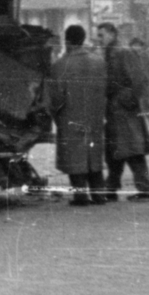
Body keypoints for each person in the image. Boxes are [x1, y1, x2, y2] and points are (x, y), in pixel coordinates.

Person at [45, 25, 109, 206]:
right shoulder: (99, 62)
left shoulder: (60, 65)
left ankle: (81, 196)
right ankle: (99, 194)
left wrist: (56, 116)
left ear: (67, 41)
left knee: (75, 157)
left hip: (70, 117)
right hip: (95, 117)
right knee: (93, 156)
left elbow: (56, 98)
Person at [97, 23, 149, 201]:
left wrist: (126, 100)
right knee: (114, 150)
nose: (99, 39)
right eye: (98, 36)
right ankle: (111, 187)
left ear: (113, 34)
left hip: (124, 110)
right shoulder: (108, 54)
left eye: (102, 35)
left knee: (133, 150)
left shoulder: (123, 52)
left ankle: (144, 188)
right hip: (113, 110)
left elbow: (140, 80)